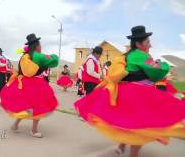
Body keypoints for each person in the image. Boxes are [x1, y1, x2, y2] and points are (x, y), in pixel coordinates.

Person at [74, 25, 185, 157]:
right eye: (148, 42)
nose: (150, 45)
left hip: (128, 92)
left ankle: (121, 147)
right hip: (138, 93)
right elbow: (158, 72)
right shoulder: (141, 56)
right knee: (141, 127)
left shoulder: (129, 55)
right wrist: (161, 66)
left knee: (130, 122)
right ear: (138, 44)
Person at [0, 34, 59, 138]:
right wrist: (52, 56)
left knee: (26, 106)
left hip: (25, 84)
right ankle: (34, 130)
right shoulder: (38, 56)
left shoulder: (25, 56)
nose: (41, 47)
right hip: (35, 84)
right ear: (36, 46)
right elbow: (55, 61)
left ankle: (15, 125)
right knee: (38, 106)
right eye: (40, 45)